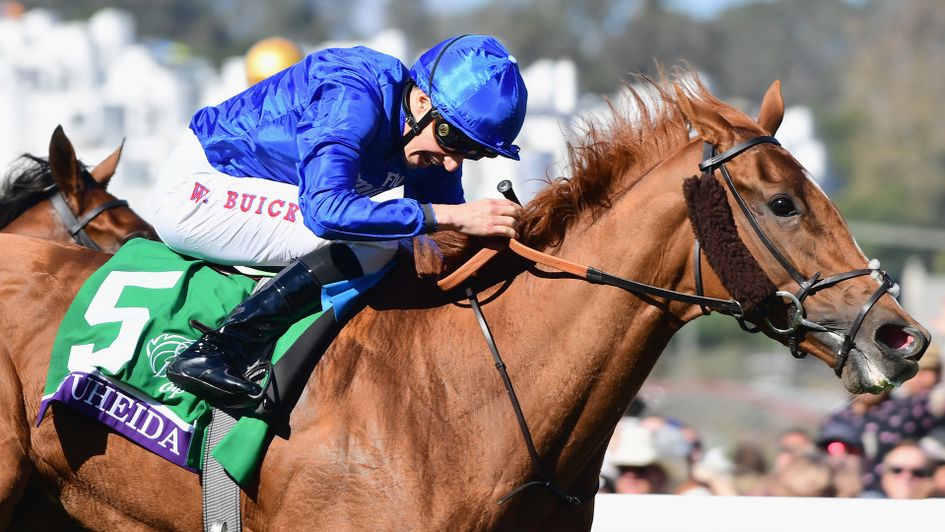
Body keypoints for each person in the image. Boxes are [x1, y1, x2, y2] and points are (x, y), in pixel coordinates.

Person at [152, 34, 528, 410]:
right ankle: (219, 349)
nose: (453, 162)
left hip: (259, 196)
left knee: (402, 243)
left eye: (476, 152)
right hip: (199, 190)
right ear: (422, 101)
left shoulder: (428, 137)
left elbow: (448, 243)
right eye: (453, 139)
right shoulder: (353, 92)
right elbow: (325, 211)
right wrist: (452, 216)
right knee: (377, 243)